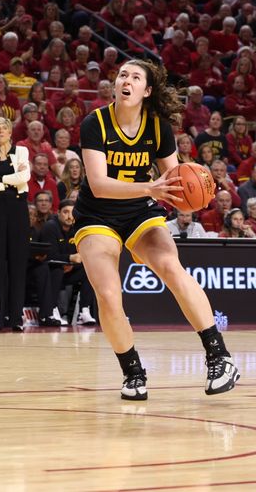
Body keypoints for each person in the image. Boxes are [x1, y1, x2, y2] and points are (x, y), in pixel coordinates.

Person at [73, 59, 239, 400]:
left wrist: (192, 192)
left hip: (139, 211)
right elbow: (99, 185)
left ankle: (219, 356)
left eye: (135, 77)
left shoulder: (158, 127)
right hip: (97, 214)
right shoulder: (95, 123)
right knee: (108, 294)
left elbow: (174, 181)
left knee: (171, 267)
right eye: (122, 75)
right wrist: (150, 188)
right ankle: (133, 372)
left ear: (147, 91)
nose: (126, 80)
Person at [0, 117, 30, 332]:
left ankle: (16, 317)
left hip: (18, 209)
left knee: (17, 263)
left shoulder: (22, 152)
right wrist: (10, 180)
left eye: (4, 128)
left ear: (10, 132)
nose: (1, 131)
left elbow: (25, 176)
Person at [41, 199, 97, 325]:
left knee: (89, 269)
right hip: (49, 271)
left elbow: (80, 255)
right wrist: (69, 258)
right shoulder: (50, 227)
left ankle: (84, 311)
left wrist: (71, 262)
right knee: (57, 269)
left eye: (72, 213)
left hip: (69, 269)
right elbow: (49, 256)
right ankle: (51, 310)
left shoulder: (77, 228)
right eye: (65, 212)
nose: (69, 216)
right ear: (58, 212)